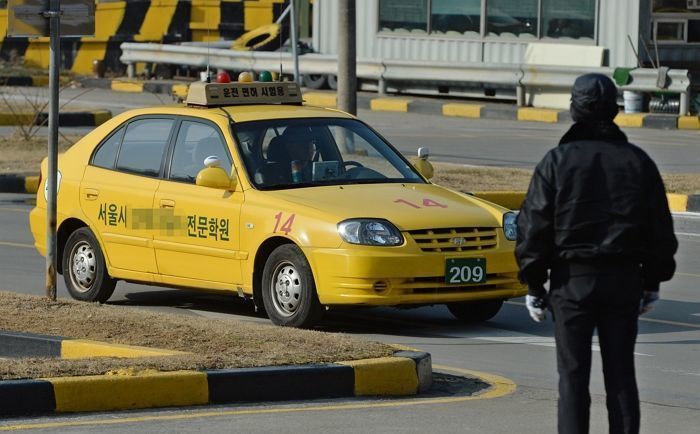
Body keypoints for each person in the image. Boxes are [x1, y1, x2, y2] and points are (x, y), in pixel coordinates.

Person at [515, 73, 677, 434]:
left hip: (571, 282)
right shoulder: (638, 162)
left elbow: (535, 226)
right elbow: (659, 230)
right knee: (621, 375)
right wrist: (652, 281)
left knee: (572, 377)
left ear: (574, 109)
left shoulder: (556, 161)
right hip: (623, 280)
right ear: (615, 111)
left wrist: (534, 285)